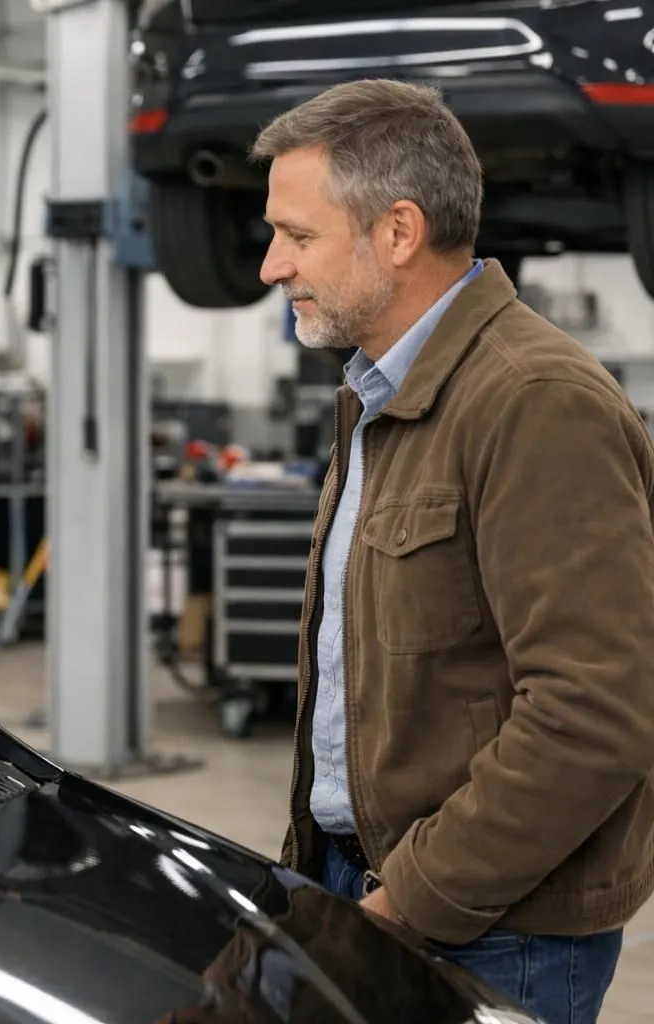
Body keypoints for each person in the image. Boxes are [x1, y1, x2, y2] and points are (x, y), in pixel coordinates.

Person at [252, 77, 654, 1024]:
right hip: (370, 887)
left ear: (397, 232)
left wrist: (406, 904)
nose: (272, 266)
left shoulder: (532, 400)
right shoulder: (380, 394)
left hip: (493, 929)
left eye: (297, 236)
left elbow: (593, 712)